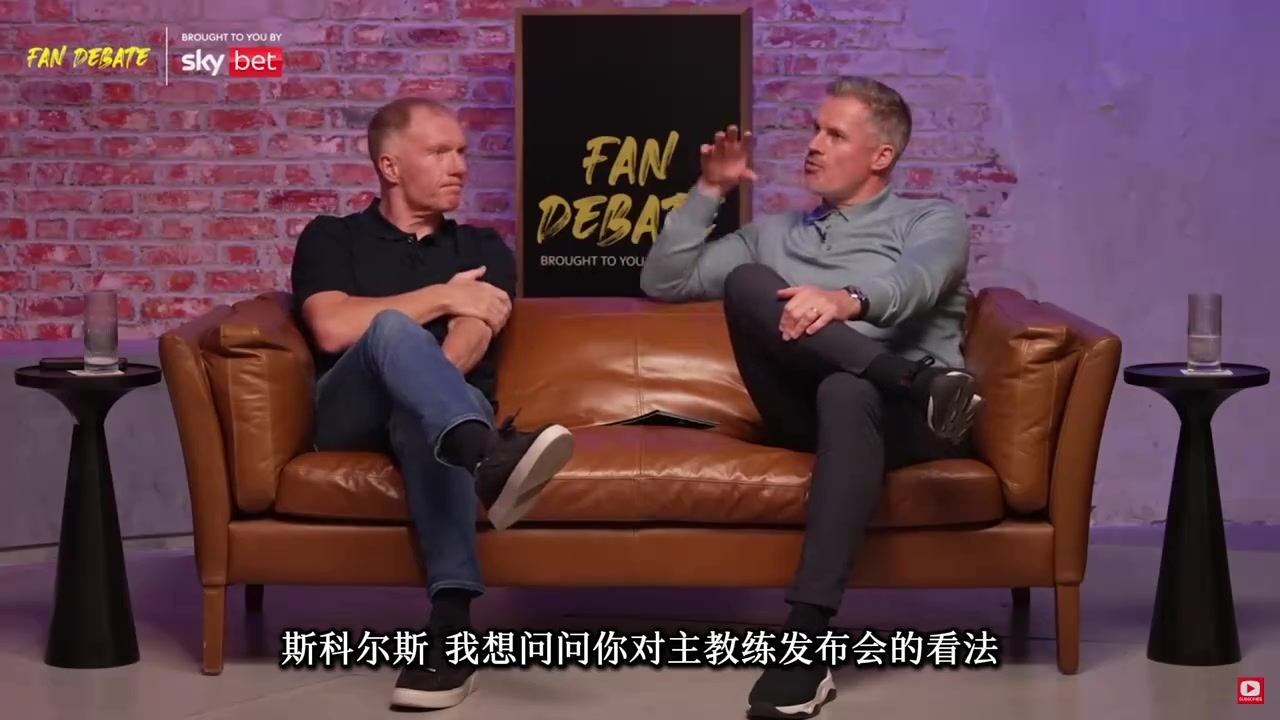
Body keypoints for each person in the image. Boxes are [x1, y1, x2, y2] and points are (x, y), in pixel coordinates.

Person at [639, 76, 984, 718]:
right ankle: (903, 373)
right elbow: (665, 281)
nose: (814, 145)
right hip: (817, 408)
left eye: (834, 134)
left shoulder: (931, 219)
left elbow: (918, 281)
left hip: (910, 420)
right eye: (814, 130)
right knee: (747, 281)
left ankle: (804, 641)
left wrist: (844, 301)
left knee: (848, 389)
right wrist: (709, 190)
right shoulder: (774, 234)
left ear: (882, 155)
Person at [289, 97, 575, 711]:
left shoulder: (483, 247)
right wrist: (443, 297)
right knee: (392, 331)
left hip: (443, 408)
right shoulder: (331, 237)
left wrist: (423, 392)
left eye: (462, 152)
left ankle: (450, 635)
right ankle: (487, 454)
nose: (460, 166)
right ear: (390, 166)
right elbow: (333, 329)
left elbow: (474, 335)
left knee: (436, 414)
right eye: (440, 152)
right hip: (351, 412)